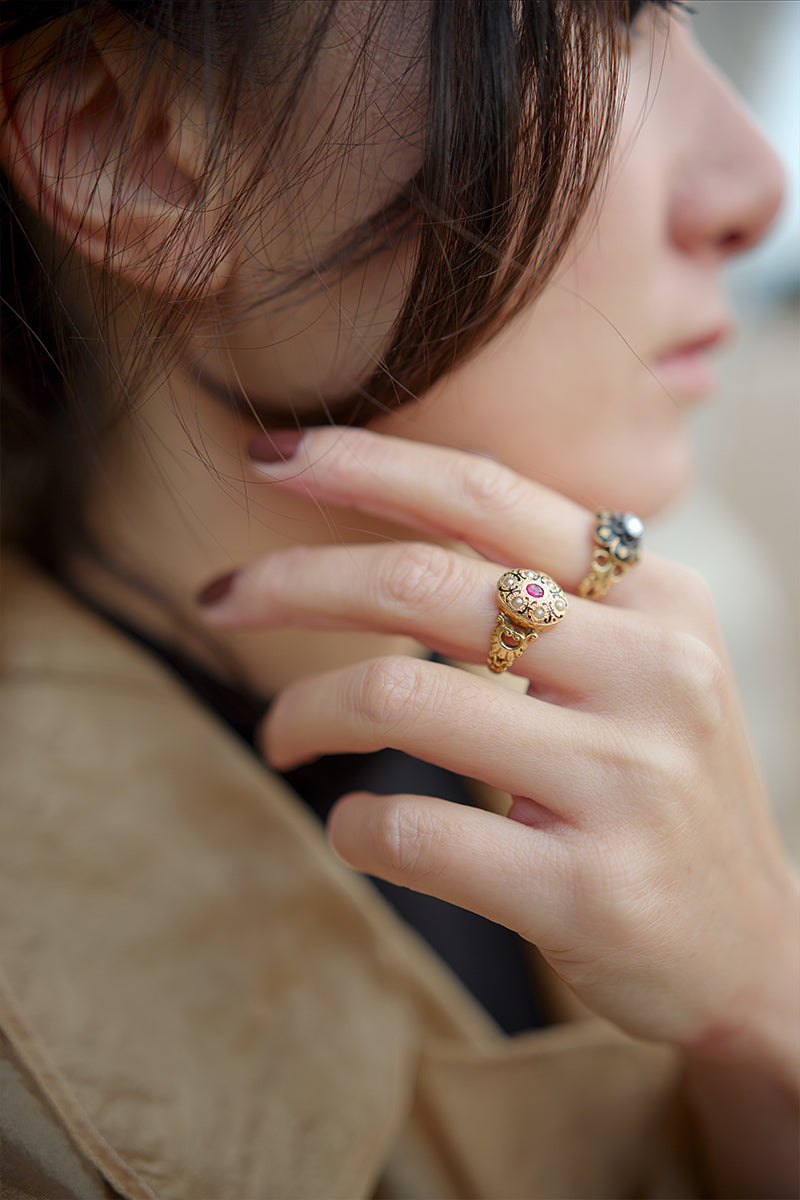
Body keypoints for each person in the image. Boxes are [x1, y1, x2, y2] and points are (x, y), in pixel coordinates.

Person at [0, 1, 797, 1197]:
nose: (750, 183)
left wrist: (761, 1012)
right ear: (124, 144)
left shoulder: (651, 671)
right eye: (579, 31)